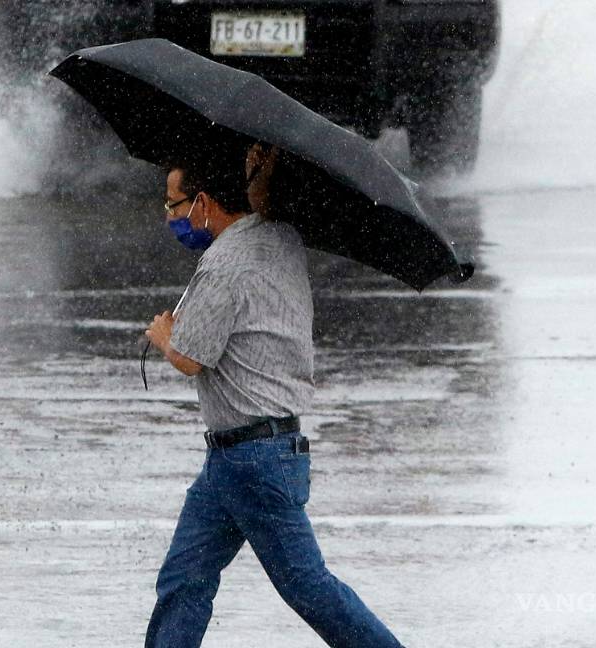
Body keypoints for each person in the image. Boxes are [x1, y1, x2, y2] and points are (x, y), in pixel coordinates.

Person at [142, 145, 406, 648]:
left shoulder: (222, 265)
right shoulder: (280, 236)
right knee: (184, 581)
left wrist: (163, 335)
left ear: (202, 202)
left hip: (252, 460)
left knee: (307, 586)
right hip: (244, 455)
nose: (170, 216)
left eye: (174, 205)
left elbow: (191, 357)